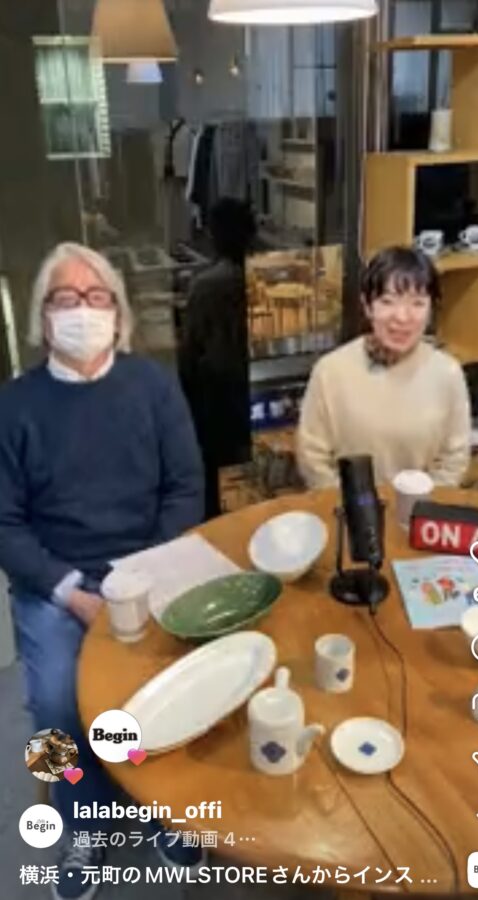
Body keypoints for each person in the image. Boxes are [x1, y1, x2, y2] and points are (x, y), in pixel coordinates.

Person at [0, 243, 204, 900]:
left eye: (95, 297)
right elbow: (5, 524)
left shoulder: (153, 386)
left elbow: (184, 487)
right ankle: (80, 820)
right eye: (65, 298)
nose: (82, 310)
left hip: (148, 570)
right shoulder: (14, 405)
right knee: (56, 703)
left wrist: (142, 575)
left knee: (171, 682)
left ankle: (163, 805)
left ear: (118, 314)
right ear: (42, 316)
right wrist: (72, 593)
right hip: (56, 586)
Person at [297, 246, 471, 488]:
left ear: (431, 309)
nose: (402, 317)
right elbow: (312, 459)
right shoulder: (330, 371)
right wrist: (354, 505)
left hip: (421, 506)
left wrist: (418, 502)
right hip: (348, 507)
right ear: (367, 306)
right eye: (388, 301)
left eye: (417, 303)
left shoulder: (447, 373)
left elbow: (454, 460)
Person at [179, 198, 254, 519]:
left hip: (217, 399)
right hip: (254, 392)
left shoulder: (206, 286)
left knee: (217, 477)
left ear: (214, 236)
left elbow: (189, 355)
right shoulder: (263, 277)